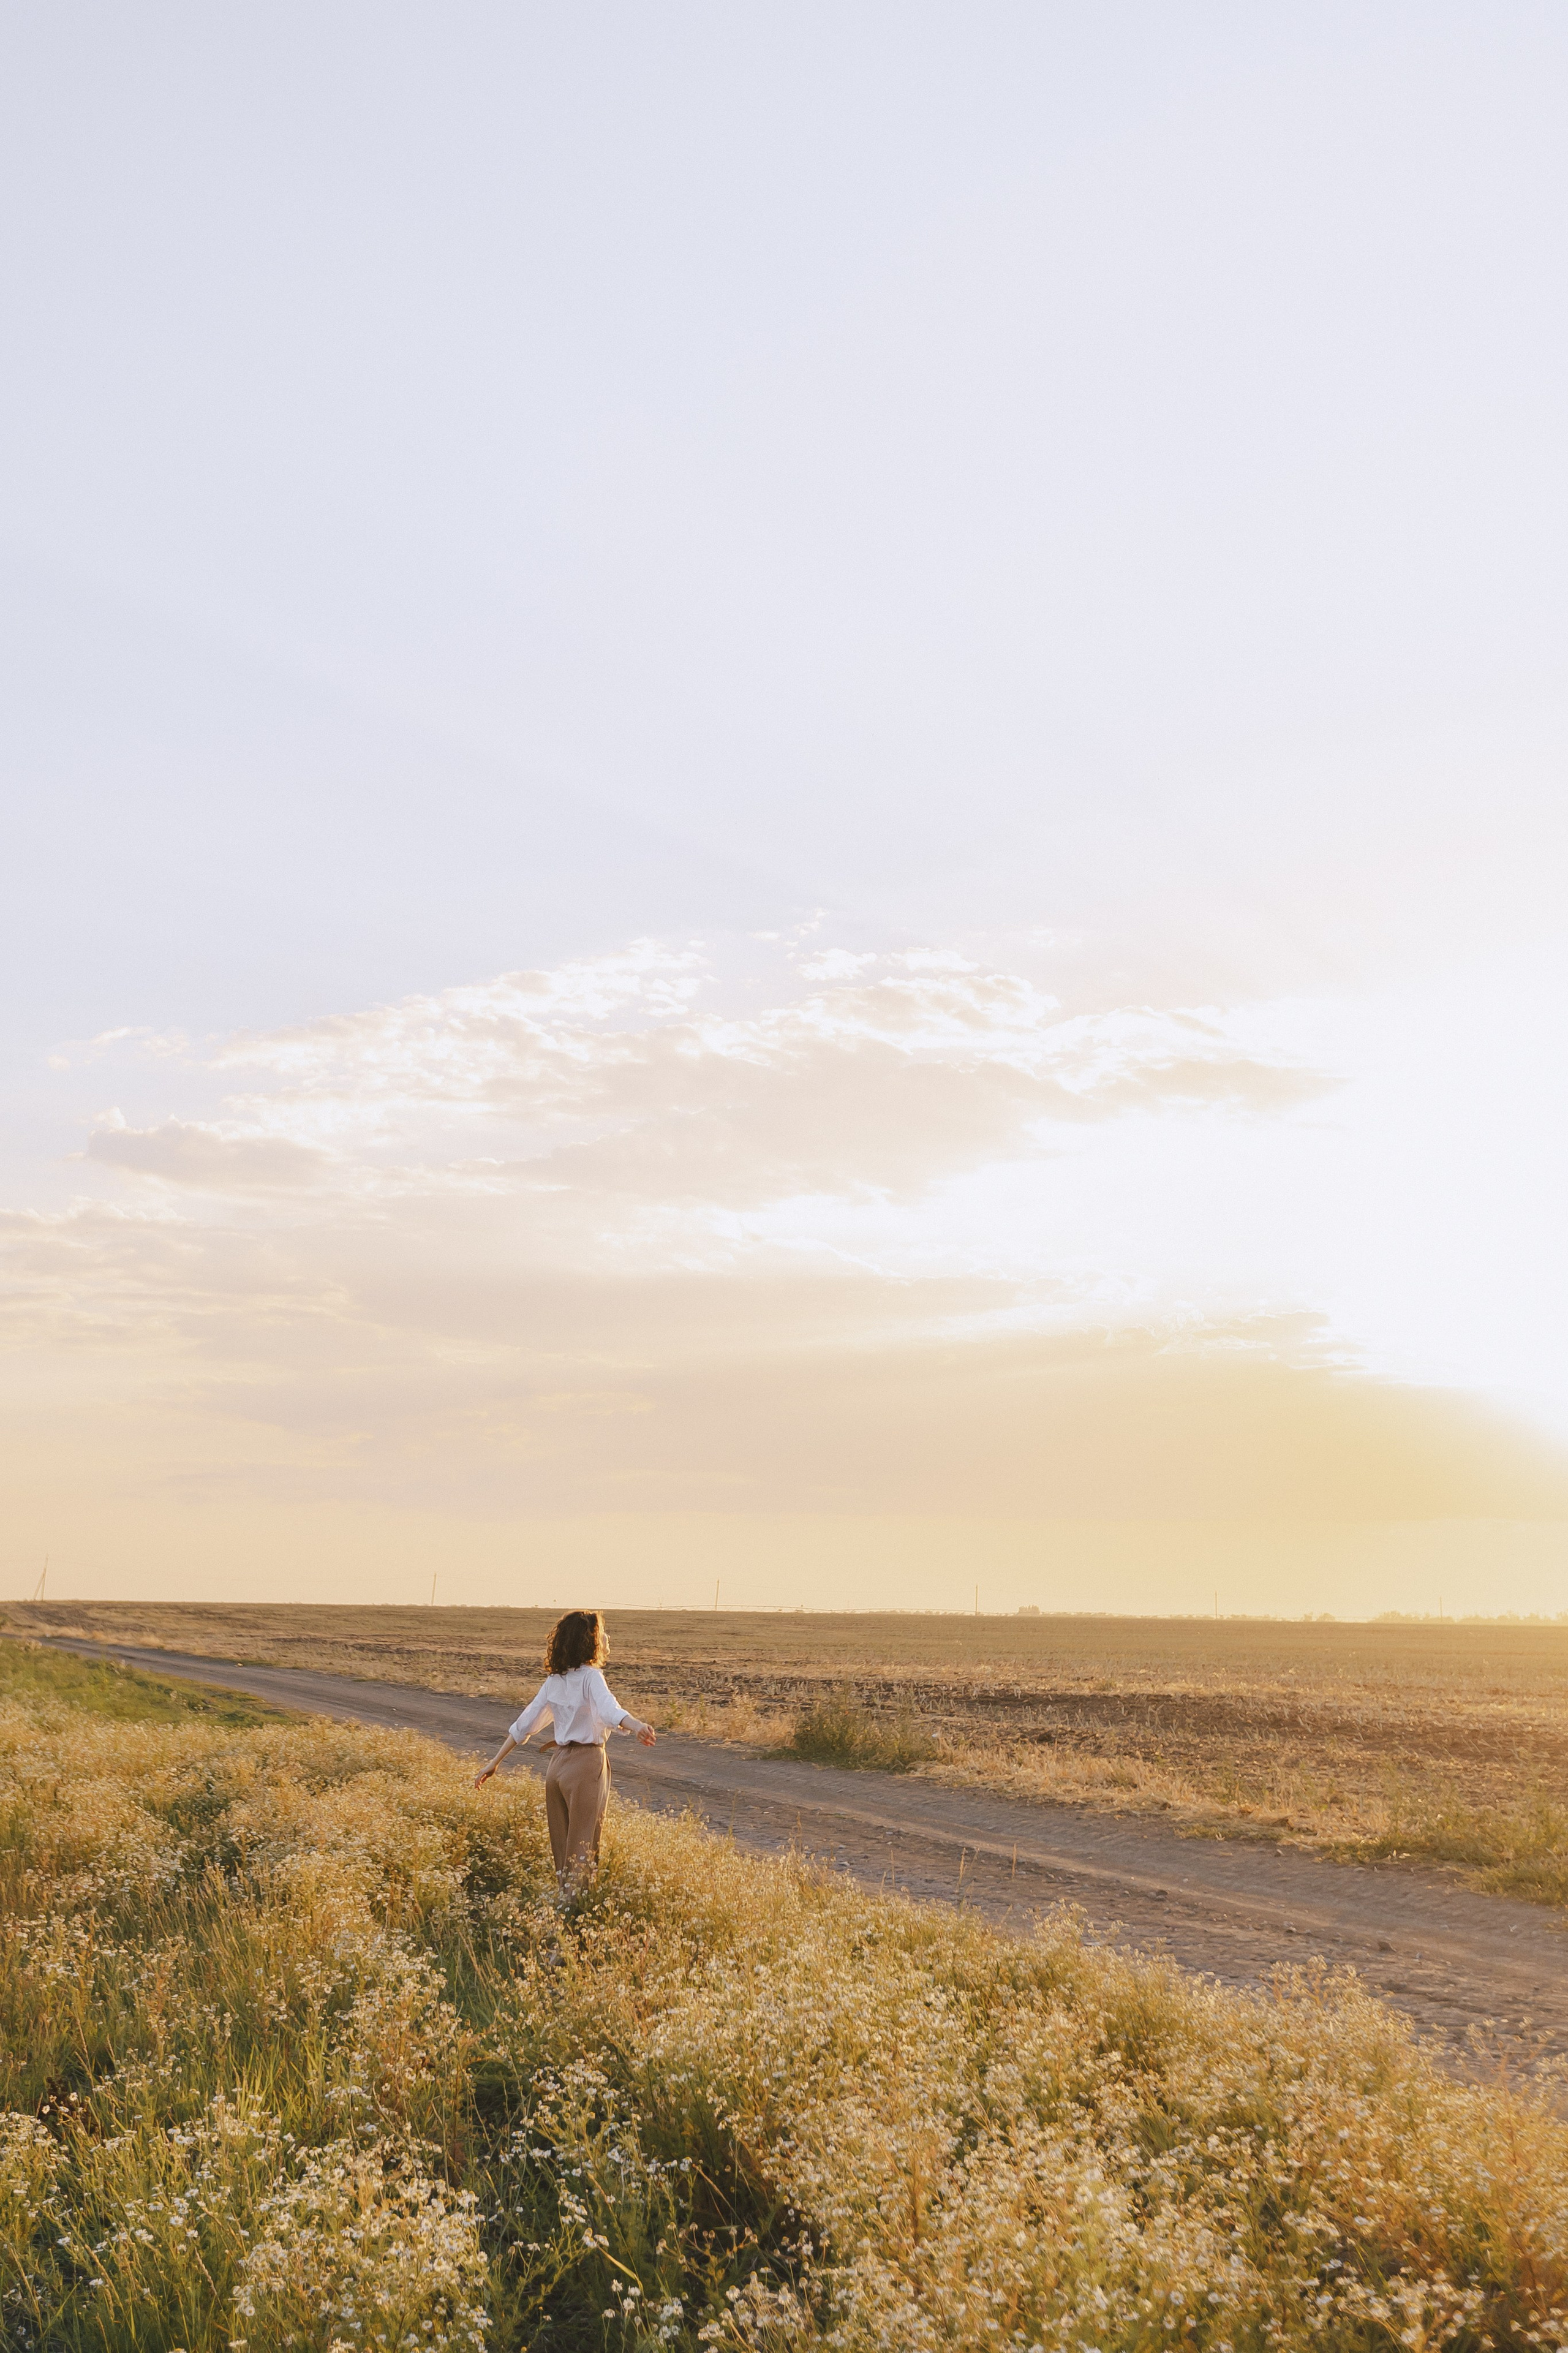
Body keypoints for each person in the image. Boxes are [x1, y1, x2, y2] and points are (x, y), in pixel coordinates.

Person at [473, 1608, 655, 1891]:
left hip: (556, 1768)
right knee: (584, 1850)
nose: (607, 1637)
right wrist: (637, 1725)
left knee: (563, 1854)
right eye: (601, 1633)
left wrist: (495, 1762)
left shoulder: (554, 1680)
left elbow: (525, 1723)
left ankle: (563, 1907)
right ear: (590, 1641)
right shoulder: (591, 1677)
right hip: (586, 1765)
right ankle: (575, 1915)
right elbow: (610, 1710)